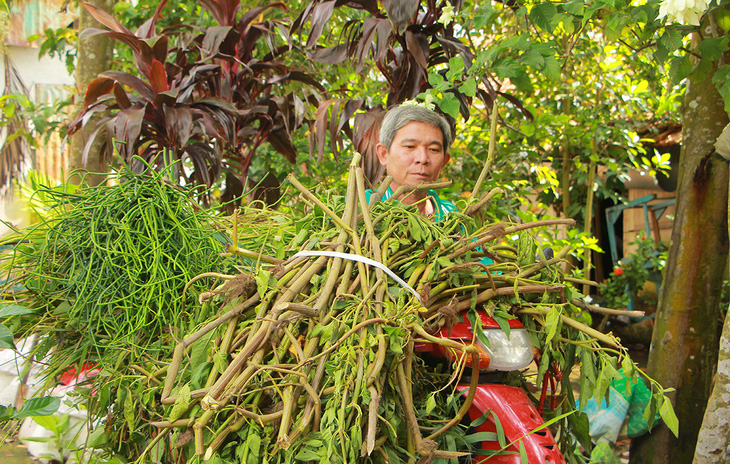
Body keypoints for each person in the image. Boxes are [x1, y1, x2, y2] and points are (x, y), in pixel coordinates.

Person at [368, 104, 455, 221]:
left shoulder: (452, 217)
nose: (423, 158)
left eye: (433, 149)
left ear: (443, 162)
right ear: (383, 154)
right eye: (410, 146)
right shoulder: (358, 208)